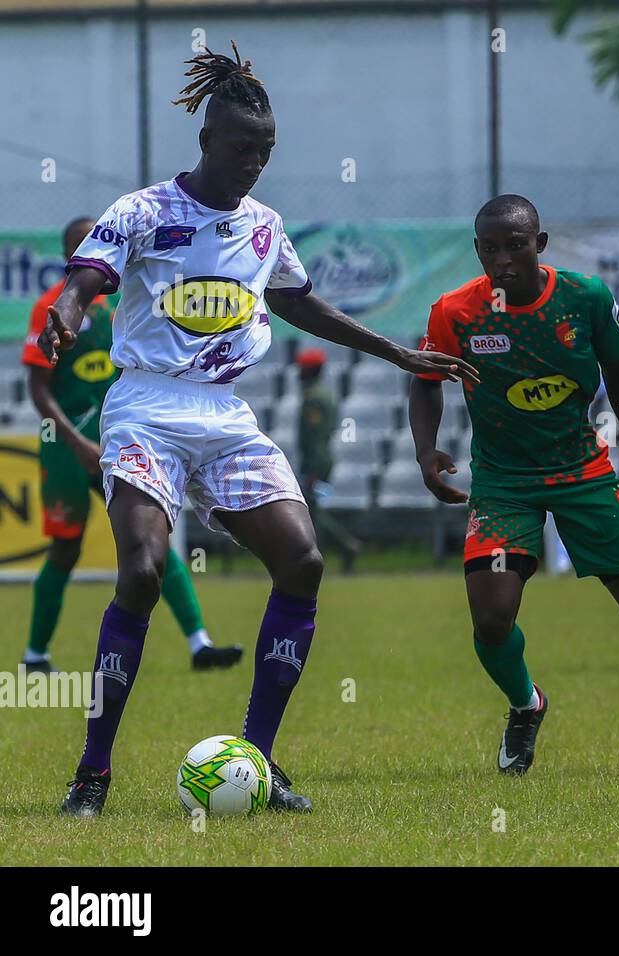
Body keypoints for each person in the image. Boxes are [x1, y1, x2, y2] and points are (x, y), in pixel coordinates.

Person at [40, 44, 468, 817]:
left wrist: (394, 349)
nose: (254, 163)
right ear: (207, 141)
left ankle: (260, 763)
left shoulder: (265, 228)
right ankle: (92, 774)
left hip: (225, 415)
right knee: (139, 570)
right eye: (243, 148)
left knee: (302, 561)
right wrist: (70, 312)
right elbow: (88, 278)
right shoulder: (143, 210)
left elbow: (300, 303)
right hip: (146, 407)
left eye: (266, 151)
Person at [408, 193, 619, 776]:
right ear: (477, 250)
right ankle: (526, 704)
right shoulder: (454, 312)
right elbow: (427, 380)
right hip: (504, 486)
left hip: (585, 475)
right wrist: (427, 453)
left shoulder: (586, 299)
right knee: (491, 618)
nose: (503, 259)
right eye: (491, 248)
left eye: (516, 245)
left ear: (540, 244)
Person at [21, 217, 242, 675]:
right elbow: (39, 388)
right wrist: (78, 442)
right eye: (81, 245)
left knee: (154, 537)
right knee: (65, 548)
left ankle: (200, 644)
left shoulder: (129, 302)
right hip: (67, 448)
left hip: (123, 436)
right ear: (72, 256)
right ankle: (35, 657)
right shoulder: (51, 307)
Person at [295, 347, 361, 572]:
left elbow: (313, 436)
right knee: (314, 508)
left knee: (312, 509)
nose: (298, 373)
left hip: (317, 462)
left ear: (310, 371)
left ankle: (342, 547)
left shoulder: (313, 398)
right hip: (322, 460)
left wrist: (312, 468)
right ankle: (336, 549)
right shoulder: (327, 394)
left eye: (302, 369)